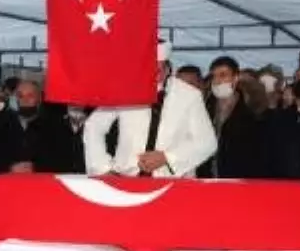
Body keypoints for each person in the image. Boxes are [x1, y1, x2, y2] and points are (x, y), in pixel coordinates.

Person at [83, 41, 217, 178]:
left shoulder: (189, 95)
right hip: (126, 179)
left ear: (167, 67)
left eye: (159, 68)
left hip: (173, 183)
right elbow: (94, 126)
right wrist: (102, 168)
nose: (155, 73)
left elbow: (207, 142)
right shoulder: (125, 89)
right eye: (148, 66)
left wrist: (167, 158)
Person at [197, 56, 264, 178]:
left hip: (239, 180)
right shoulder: (203, 110)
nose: (217, 81)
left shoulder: (253, 112)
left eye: (223, 75)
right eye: (214, 76)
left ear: (235, 78)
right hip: (207, 180)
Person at [2, 80, 84, 174]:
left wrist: (36, 167)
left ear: (39, 99)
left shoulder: (56, 127)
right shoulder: (3, 126)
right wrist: (10, 168)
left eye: (30, 96)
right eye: (20, 96)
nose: (25, 100)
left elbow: (64, 160)